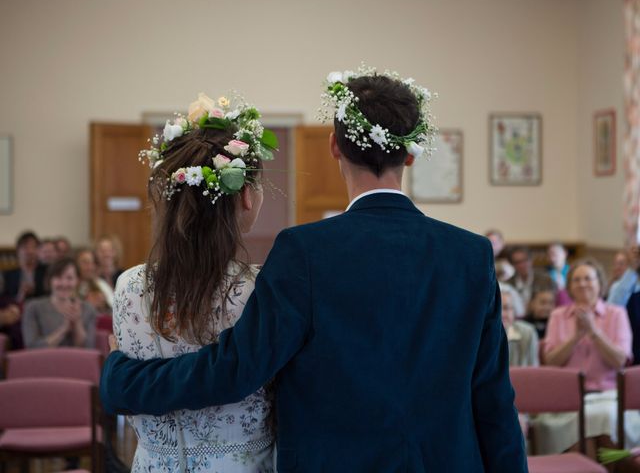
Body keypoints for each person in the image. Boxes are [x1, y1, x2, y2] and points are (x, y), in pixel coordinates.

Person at [100, 68, 527, 472]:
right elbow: (493, 399)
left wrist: (122, 379)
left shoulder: (304, 251)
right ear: (410, 154)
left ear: (334, 146)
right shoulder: (471, 254)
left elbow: (235, 370)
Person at [110, 93, 277, 472]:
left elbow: (134, 380)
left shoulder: (128, 287)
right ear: (247, 197)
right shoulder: (261, 288)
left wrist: (114, 370)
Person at [535, 259, 636, 455]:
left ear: (600, 283)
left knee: (604, 420)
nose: (583, 284)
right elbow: (551, 362)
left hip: (609, 396)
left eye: (588, 278)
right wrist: (576, 337)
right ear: (570, 286)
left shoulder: (617, 314)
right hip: (568, 399)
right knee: (584, 430)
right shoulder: (558, 315)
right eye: (577, 279)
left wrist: (594, 331)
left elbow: (620, 361)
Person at [22, 258, 96, 348]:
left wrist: (77, 323)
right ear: (50, 280)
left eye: (69, 278)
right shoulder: (33, 307)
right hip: (44, 361)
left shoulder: (88, 309)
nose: (64, 284)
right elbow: (32, 347)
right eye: (58, 277)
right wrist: (63, 330)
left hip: (77, 361)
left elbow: (89, 350)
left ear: (77, 281)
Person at [2, 231, 48, 304]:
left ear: (38, 250)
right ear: (18, 250)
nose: (30, 251)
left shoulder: (46, 271)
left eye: (33, 247)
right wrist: (20, 295)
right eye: (25, 247)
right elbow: (4, 300)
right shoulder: (9, 274)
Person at [501, 288, 538, 367]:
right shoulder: (479, 335)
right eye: (496, 309)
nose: (501, 314)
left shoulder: (528, 333)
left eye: (506, 308)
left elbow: (534, 372)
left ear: (514, 312)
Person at [76, 248, 114, 316]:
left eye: (92, 263)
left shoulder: (102, 285)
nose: (90, 267)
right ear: (76, 264)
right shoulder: (70, 285)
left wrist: (103, 306)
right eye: (85, 262)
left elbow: (114, 311)